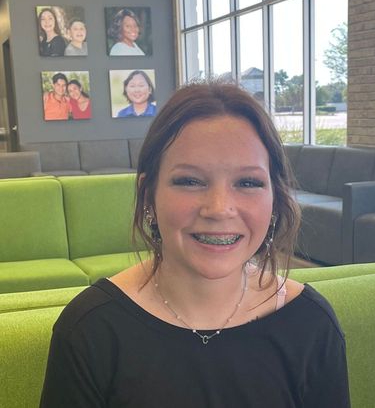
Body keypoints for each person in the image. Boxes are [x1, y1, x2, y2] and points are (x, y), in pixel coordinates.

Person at [40, 82, 350, 407]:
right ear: (149, 195)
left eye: (248, 182)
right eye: (190, 181)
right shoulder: (90, 329)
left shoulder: (311, 325)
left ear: (275, 199)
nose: (218, 209)